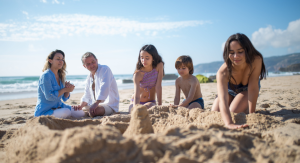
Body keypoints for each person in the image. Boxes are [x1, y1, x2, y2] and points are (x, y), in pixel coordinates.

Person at [211, 33, 267, 129]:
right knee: (215, 113)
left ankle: (241, 105)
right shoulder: (222, 72)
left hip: (246, 90)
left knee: (233, 111)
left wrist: (252, 113)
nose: (236, 56)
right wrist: (229, 124)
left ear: (247, 50)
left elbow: (253, 88)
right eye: (232, 53)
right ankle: (235, 101)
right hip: (229, 91)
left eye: (240, 51)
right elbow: (223, 100)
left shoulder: (256, 59)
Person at [34, 50, 85, 118]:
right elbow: (49, 97)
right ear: (50, 61)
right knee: (66, 112)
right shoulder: (46, 75)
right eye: (58, 59)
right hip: (45, 111)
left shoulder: (61, 75)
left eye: (62, 59)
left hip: (59, 106)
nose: (61, 61)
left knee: (81, 113)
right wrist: (64, 90)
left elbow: (64, 98)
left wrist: (67, 90)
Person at [72, 52, 119, 117]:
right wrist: (80, 106)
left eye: (93, 62)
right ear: (84, 66)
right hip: (95, 104)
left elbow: (105, 87)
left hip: (110, 105)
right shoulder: (89, 77)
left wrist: (96, 103)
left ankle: (86, 113)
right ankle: (84, 111)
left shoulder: (105, 69)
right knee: (75, 109)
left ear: (97, 60)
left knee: (94, 111)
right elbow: (87, 94)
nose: (91, 65)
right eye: (88, 64)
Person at [128, 44, 164, 113]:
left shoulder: (159, 66)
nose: (144, 60)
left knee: (146, 108)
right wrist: (136, 108)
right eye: (142, 58)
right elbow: (137, 95)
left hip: (150, 102)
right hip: (135, 101)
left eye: (147, 58)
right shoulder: (138, 74)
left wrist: (160, 106)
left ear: (153, 58)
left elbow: (158, 87)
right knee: (135, 111)